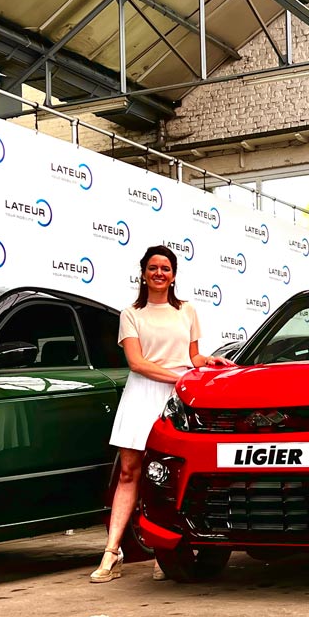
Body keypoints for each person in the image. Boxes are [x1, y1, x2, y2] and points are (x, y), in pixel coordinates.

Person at [94, 245, 234, 583]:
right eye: (153, 267)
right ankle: (112, 553)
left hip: (177, 399)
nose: (160, 273)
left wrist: (207, 363)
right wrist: (181, 374)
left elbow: (193, 357)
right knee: (130, 472)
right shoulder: (131, 314)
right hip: (143, 394)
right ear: (143, 273)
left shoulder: (187, 310)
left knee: (171, 474)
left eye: (166, 268)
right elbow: (137, 363)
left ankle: (165, 551)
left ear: (173, 275)